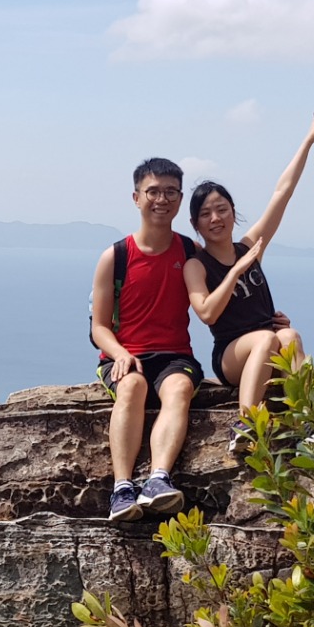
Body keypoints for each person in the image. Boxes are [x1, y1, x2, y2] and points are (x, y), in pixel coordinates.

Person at [182, 103, 314, 450]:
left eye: (222, 209)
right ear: (196, 225)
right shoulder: (197, 265)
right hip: (232, 355)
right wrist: (235, 271)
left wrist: (308, 141)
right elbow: (206, 314)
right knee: (265, 338)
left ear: (233, 213)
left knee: (289, 334)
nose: (215, 218)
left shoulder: (249, 247)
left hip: (269, 342)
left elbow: (282, 193)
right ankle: (246, 426)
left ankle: (313, 421)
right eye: (206, 214)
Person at [89, 158, 205, 521]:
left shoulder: (190, 253)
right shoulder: (116, 256)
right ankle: (122, 489)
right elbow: (99, 327)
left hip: (174, 356)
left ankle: (158, 479)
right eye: (153, 191)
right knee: (132, 387)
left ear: (180, 198)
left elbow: (218, 304)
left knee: (179, 390)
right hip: (125, 356)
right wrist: (121, 354)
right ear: (136, 197)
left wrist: (268, 319)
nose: (161, 199)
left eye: (170, 192)